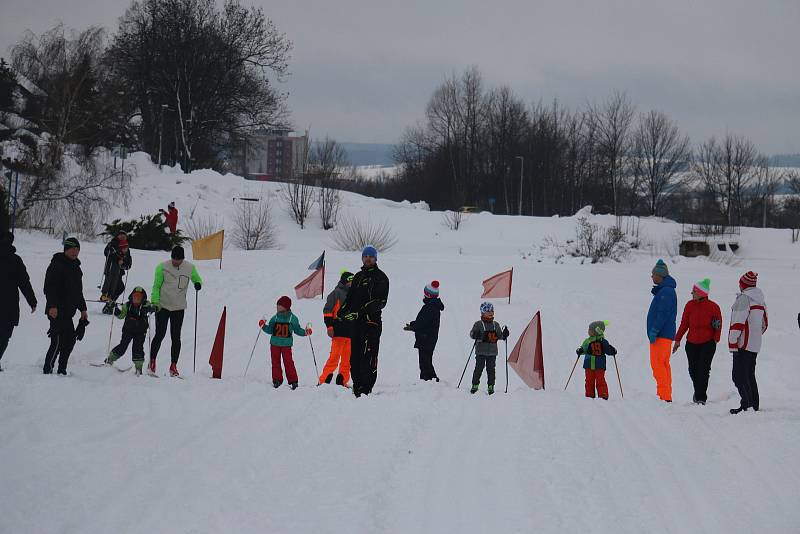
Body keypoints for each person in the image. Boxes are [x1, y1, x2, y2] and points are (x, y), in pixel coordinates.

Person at [336, 245, 389, 398]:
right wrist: (342, 312)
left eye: (371, 256)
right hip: (356, 324)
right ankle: (357, 385)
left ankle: (367, 387)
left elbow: (381, 301)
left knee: (369, 356)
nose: (368, 258)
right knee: (355, 356)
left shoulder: (381, 277)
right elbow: (350, 298)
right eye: (365, 256)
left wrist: (360, 312)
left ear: (375, 258)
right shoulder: (358, 276)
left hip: (371, 323)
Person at [149, 245, 202, 377]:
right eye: (173, 259)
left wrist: (197, 283)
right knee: (160, 334)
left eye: (178, 260)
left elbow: (197, 278)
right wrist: (155, 302)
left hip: (178, 307)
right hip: (163, 306)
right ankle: (152, 361)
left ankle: (173, 365)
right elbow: (156, 287)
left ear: (182, 259)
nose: (175, 262)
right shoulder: (162, 267)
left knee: (176, 337)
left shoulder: (190, 268)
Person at [672, 278, 723, 405]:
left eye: (694, 291)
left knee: (704, 370)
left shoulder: (714, 307)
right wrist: (677, 339)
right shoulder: (689, 305)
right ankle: (698, 391)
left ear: (701, 293)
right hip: (692, 343)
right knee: (693, 370)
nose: (691, 293)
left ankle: (701, 398)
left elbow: (718, 324)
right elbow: (684, 324)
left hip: (708, 343)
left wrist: (716, 339)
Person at [42, 237, 88, 375]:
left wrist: (83, 309)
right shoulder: (57, 264)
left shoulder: (76, 268)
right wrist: (52, 306)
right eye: (72, 248)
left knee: (69, 341)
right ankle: (47, 368)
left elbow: (78, 292)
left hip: (68, 312)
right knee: (56, 341)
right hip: (55, 310)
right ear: (66, 249)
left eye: (77, 249)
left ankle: (62, 369)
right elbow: (49, 287)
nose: (75, 251)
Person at [728, 271, 768, 414]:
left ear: (743, 285)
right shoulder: (760, 300)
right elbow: (765, 324)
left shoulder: (744, 299)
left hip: (742, 344)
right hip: (755, 344)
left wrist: (733, 342)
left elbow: (737, 323)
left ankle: (747, 405)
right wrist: (755, 335)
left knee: (738, 376)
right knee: (749, 374)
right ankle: (754, 404)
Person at [0, 231, 37, 371]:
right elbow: (24, 282)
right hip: (8, 304)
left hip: (8, 304)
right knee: (4, 335)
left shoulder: (15, 260)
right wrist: (32, 301)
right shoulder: (15, 260)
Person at [259, 296, 311, 389]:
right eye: (277, 305)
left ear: (286, 307)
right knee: (275, 362)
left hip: (286, 345)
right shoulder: (274, 318)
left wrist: (305, 332)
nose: (278, 307)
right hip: (274, 344)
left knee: (288, 362)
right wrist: (263, 326)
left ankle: (293, 381)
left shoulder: (292, 319)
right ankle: (277, 380)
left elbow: (297, 330)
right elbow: (270, 330)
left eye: (280, 306)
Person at [104, 287, 156, 376]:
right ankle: (110, 359)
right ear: (131, 296)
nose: (136, 299)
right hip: (128, 330)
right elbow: (121, 315)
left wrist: (151, 309)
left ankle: (138, 368)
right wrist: (115, 309)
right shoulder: (127, 305)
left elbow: (153, 308)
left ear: (143, 298)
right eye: (135, 297)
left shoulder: (145, 305)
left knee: (138, 348)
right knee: (123, 346)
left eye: (139, 297)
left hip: (140, 331)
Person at [646, 259, 677, 402]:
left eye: (653, 274)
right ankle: (665, 395)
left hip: (661, 335)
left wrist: (654, 330)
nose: (652, 277)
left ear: (660, 276)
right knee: (663, 365)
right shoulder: (666, 290)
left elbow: (662, 313)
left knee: (658, 365)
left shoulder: (666, 292)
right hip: (664, 335)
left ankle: (664, 397)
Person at [404, 280, 444, 381]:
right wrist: (414, 325)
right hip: (427, 338)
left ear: (428, 295)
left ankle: (430, 379)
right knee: (425, 360)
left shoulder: (430, 307)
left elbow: (423, 322)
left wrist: (414, 326)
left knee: (425, 361)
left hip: (426, 338)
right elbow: (423, 322)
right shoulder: (431, 306)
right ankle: (427, 380)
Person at [319, 271, 353, 386]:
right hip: (338, 331)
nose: (351, 283)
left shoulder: (354, 294)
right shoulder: (336, 293)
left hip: (350, 333)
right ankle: (324, 380)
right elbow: (327, 311)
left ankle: (342, 381)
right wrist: (329, 326)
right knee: (334, 357)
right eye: (350, 281)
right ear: (345, 281)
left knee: (347, 360)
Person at [468, 302, 509, 395]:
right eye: (488, 311)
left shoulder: (496, 324)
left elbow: (500, 336)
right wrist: (475, 335)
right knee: (479, 368)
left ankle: (491, 386)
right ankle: (475, 385)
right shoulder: (478, 324)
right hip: (480, 351)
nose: (491, 312)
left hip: (492, 352)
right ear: (482, 312)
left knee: (491, 370)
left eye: (492, 310)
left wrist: (505, 335)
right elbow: (472, 334)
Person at [575, 320, 617, 399]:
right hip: (589, 365)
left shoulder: (602, 342)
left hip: (598, 365)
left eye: (590, 330)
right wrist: (580, 350)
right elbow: (584, 348)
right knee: (589, 381)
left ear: (596, 331)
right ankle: (589, 395)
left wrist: (612, 351)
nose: (588, 331)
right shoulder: (588, 341)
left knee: (599, 381)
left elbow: (608, 349)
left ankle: (603, 395)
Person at [100, 231, 132, 314]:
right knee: (111, 286)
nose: (122, 237)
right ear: (117, 236)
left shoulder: (126, 246)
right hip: (111, 270)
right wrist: (115, 255)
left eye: (124, 235)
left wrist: (124, 264)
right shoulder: (113, 243)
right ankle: (109, 304)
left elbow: (128, 260)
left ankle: (110, 304)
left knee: (120, 288)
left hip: (119, 272)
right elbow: (106, 252)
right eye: (120, 235)